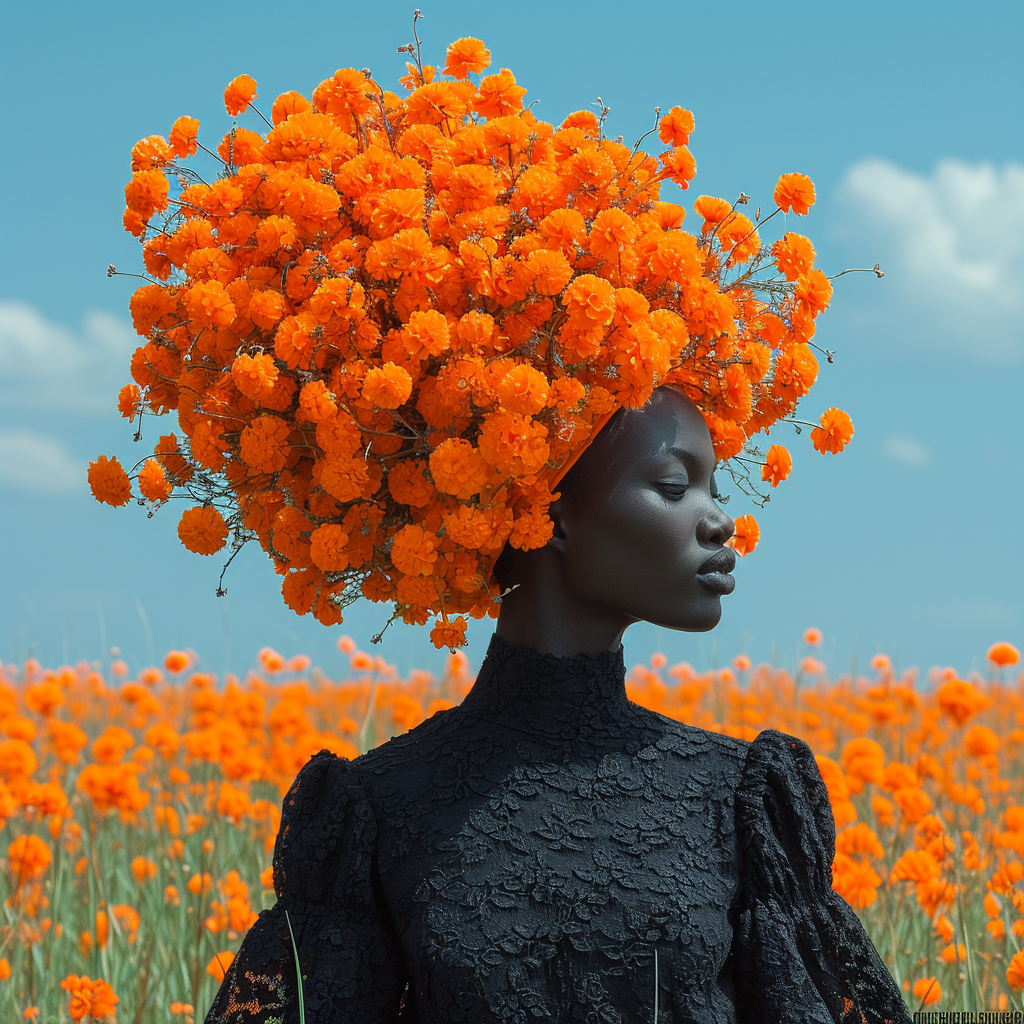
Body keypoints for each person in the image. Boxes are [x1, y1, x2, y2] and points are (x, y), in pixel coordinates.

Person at [205, 385, 911, 1023]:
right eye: (674, 485)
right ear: (552, 515)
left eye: (714, 487)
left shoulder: (744, 800)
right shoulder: (374, 810)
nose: (721, 521)